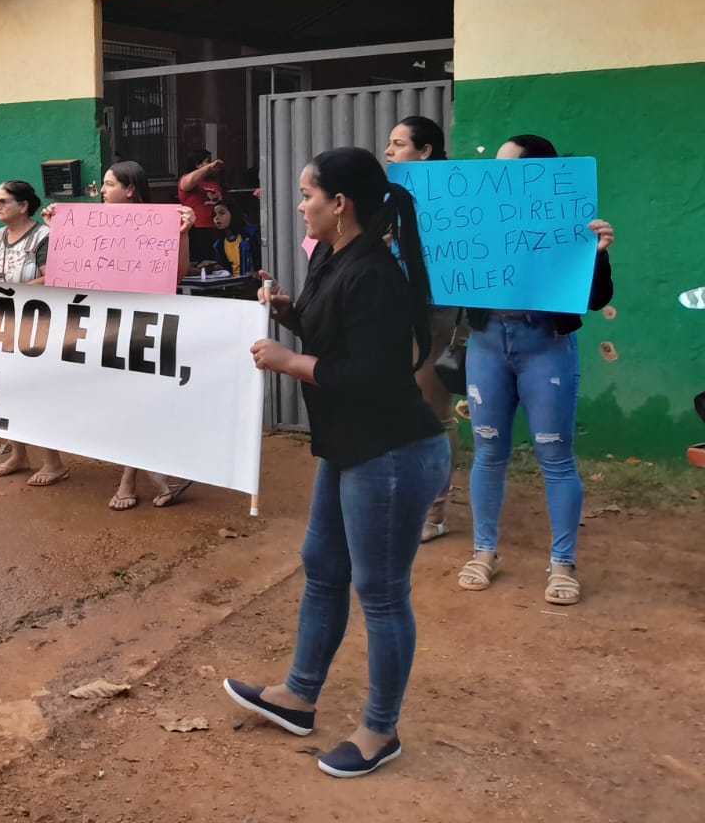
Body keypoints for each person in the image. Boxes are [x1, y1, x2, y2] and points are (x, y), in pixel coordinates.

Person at [227, 146, 449, 779]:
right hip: (351, 445)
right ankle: (298, 697)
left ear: (340, 204)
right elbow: (337, 338)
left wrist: (288, 361)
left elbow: (373, 375)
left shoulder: (374, 271)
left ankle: (381, 732)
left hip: (393, 452)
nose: (301, 205)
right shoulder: (331, 257)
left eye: (307, 195)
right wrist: (289, 313)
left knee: (379, 593)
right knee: (322, 565)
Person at [457, 134, 614, 607]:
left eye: (510, 167)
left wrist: (598, 256)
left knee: (556, 456)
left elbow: (597, 299)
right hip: (487, 344)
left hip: (546, 344)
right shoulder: (478, 218)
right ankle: (484, 552)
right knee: (487, 451)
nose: (498, 177)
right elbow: (448, 273)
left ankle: (562, 563)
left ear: (538, 173)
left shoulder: (572, 224)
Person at [44, 160, 197, 509]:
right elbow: (71, 271)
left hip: (143, 327)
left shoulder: (161, 223)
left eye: (110, 184)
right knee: (116, 402)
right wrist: (57, 227)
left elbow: (178, 274)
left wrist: (183, 233)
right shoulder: (89, 223)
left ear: (130, 190)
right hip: (103, 327)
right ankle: (154, 471)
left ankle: (130, 477)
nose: (102, 190)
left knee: (136, 401)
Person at [384, 115, 462, 543]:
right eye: (390, 144)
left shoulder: (455, 196)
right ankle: (405, 500)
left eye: (398, 144)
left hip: (435, 314)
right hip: (394, 312)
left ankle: (434, 513)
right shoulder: (391, 196)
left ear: (425, 151)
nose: (389, 151)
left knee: (434, 413)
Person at [0, 179, 68, 487]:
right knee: (6, 390)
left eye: (3, 201)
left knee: (37, 392)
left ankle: (53, 462)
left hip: (37, 326)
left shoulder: (44, 237)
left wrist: (12, 292)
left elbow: (54, 278)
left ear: (23, 206)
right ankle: (18, 454)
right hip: (2, 326)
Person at [179, 150, 226, 256]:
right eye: (208, 161)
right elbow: (187, 182)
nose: (211, 164)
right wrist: (208, 168)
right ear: (197, 164)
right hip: (198, 229)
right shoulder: (187, 179)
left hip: (215, 227)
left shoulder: (213, 182)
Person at [206, 196, 260, 276]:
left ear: (234, 213)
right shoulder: (218, 244)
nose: (217, 218)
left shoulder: (252, 234)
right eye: (214, 215)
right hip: (233, 284)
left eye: (222, 213)